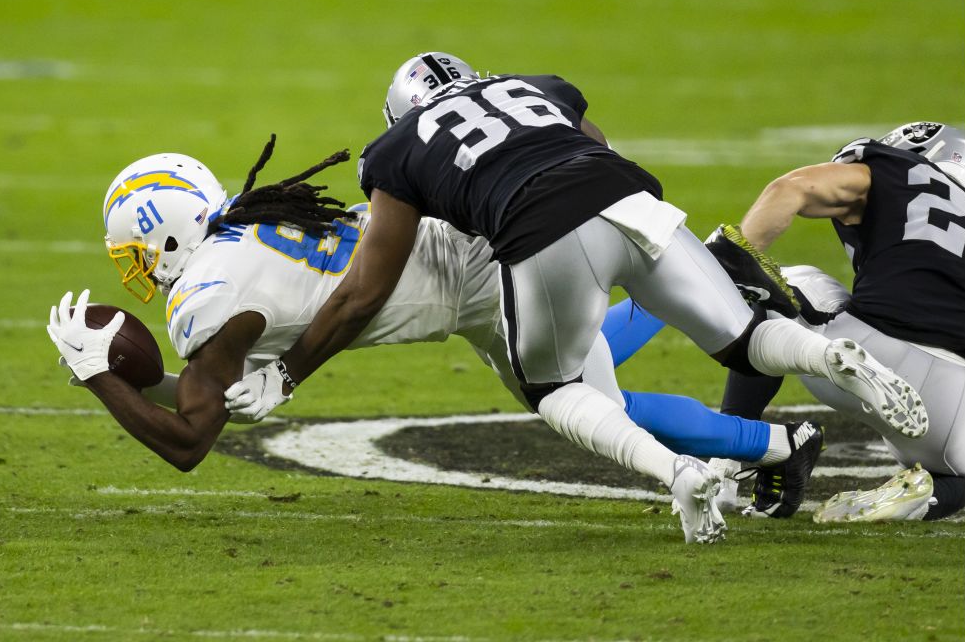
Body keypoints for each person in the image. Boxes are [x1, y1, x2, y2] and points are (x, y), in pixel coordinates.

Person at [221, 52, 927, 539]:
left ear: (397, 113)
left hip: (544, 231)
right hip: (633, 202)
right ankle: (825, 353)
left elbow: (364, 291)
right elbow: (598, 145)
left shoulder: (397, 150)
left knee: (555, 389)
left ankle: (679, 474)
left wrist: (287, 372)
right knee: (743, 336)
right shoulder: (536, 87)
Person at [47, 142, 824, 542]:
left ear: (167, 238)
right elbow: (204, 386)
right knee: (580, 375)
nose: (140, 274)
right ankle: (729, 303)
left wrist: (99, 375)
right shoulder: (245, 233)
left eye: (138, 255)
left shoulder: (208, 298)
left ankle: (779, 442)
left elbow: (190, 439)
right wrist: (169, 382)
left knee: (581, 403)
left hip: (490, 273)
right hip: (469, 271)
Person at [706, 122, 965, 521]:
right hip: (960, 419)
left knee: (781, 286)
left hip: (881, 361)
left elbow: (789, 189)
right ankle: (930, 495)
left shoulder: (895, 169)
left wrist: (724, 261)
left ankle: (724, 460)